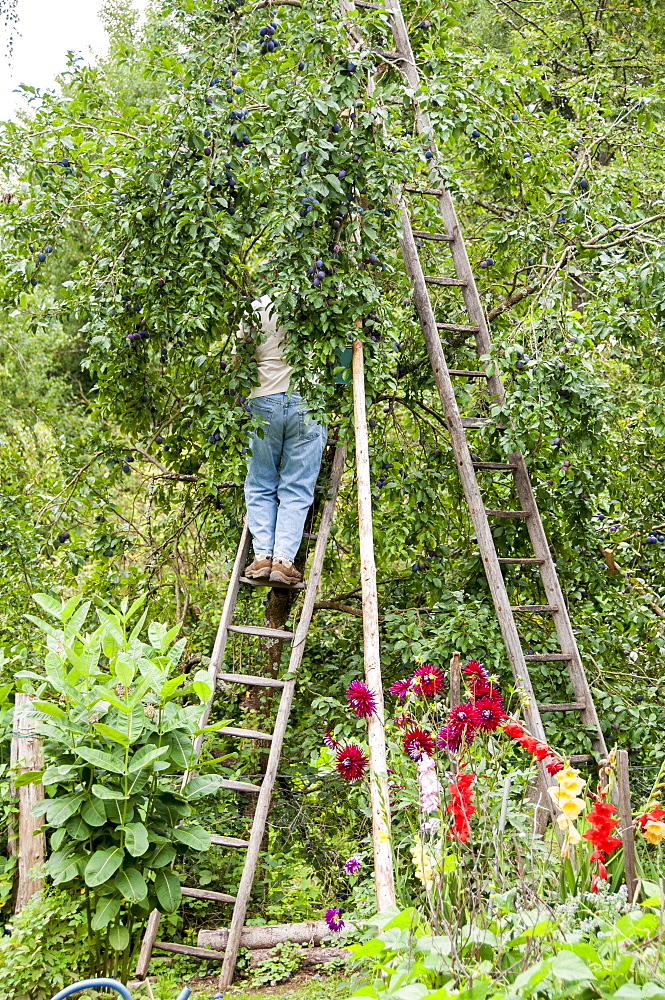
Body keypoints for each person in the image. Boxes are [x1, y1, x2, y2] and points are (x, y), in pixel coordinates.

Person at [242, 294, 327, 586]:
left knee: (260, 482)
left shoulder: (255, 308)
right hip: (307, 400)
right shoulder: (321, 301)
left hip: (264, 399)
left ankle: (262, 556)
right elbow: (342, 358)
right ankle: (283, 562)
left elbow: (241, 357)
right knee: (297, 487)